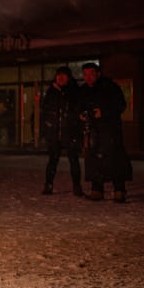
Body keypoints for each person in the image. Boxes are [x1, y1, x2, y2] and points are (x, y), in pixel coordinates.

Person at [77, 63, 132, 202]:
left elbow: (120, 105)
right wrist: (81, 115)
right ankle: (97, 190)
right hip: (92, 131)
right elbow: (77, 107)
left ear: (98, 73)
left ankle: (119, 190)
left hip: (110, 129)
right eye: (85, 74)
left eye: (91, 74)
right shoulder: (83, 90)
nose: (88, 77)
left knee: (114, 159)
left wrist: (104, 112)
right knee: (94, 160)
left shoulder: (110, 87)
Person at [41, 66, 83, 196]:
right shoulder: (51, 92)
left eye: (63, 76)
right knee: (52, 160)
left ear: (69, 78)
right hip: (54, 133)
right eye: (58, 75)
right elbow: (45, 112)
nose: (60, 78)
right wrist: (45, 129)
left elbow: (77, 110)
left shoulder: (74, 91)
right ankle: (48, 185)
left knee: (73, 160)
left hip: (70, 132)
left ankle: (77, 186)